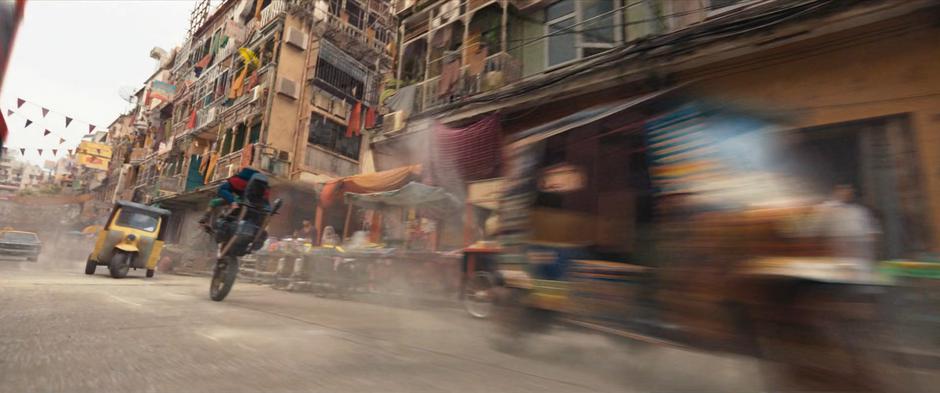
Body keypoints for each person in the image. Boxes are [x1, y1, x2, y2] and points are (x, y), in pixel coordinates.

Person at [813, 184, 880, 270]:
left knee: (862, 267)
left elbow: (872, 231)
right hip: (841, 244)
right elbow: (818, 222)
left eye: (849, 192)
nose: (846, 194)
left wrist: (872, 245)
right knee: (843, 268)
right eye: (843, 191)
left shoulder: (860, 210)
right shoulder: (828, 208)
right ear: (836, 193)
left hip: (860, 245)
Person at [199, 167, 269, 226]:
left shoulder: (236, 180)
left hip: (241, 198)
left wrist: (232, 202)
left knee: (214, 201)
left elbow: (223, 189)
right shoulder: (262, 188)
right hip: (251, 201)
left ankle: (206, 218)